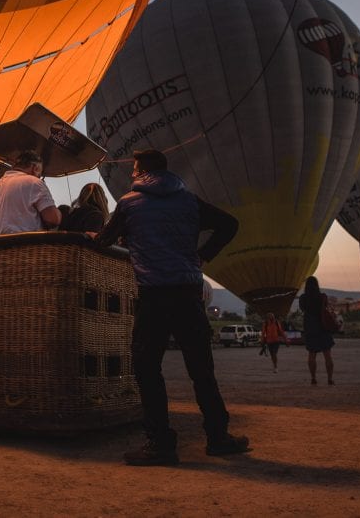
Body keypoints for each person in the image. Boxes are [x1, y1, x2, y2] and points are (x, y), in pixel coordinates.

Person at [90, 148, 244, 465]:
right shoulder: (188, 200)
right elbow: (229, 224)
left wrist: (95, 235)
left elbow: (104, 241)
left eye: (134, 170)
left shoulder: (129, 203)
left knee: (147, 368)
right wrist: (203, 254)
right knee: (202, 370)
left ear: (139, 171)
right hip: (189, 293)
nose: (132, 174)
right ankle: (218, 437)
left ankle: (160, 442)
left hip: (154, 295)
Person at [0, 150, 60, 235]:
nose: (39, 177)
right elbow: (53, 219)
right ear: (35, 168)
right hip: (27, 246)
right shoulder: (34, 182)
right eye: (40, 174)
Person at [299, 276, 335, 386]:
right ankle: (329, 379)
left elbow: (302, 309)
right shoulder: (322, 297)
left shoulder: (303, 298)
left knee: (312, 354)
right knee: (327, 355)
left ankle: (313, 378)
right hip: (323, 327)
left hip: (310, 328)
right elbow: (325, 309)